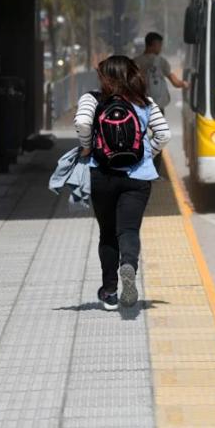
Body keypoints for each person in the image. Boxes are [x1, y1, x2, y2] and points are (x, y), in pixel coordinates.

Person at [74, 56, 171, 310]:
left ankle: (109, 291)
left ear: (105, 77)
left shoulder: (92, 99)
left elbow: (82, 122)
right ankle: (128, 265)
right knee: (128, 230)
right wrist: (147, 152)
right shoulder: (144, 102)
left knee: (107, 233)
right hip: (138, 177)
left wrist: (87, 148)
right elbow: (164, 134)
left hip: (101, 174)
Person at [134, 32, 187, 113]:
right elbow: (175, 82)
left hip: (140, 106)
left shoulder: (135, 62)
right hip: (157, 106)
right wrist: (185, 84)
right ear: (153, 45)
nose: (160, 48)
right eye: (159, 45)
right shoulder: (161, 62)